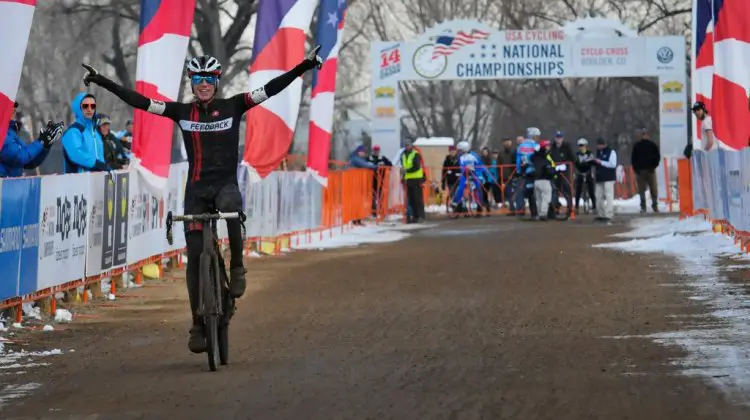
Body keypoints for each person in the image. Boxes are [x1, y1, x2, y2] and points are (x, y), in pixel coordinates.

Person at [81, 46, 324, 353]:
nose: (204, 83)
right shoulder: (181, 112)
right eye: (198, 78)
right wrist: (102, 81)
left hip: (225, 186)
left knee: (233, 210)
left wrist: (303, 65)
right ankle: (197, 323)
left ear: (217, 81)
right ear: (192, 81)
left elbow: (270, 89)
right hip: (196, 191)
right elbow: (140, 102)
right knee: (195, 259)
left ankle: (236, 268)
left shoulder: (235, 106)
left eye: (209, 77)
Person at [0, 102, 64, 178]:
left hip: (12, 184)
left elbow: (30, 162)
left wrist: (46, 143)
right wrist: (41, 141)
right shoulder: (2, 133)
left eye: (14, 109)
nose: (14, 111)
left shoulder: (11, 132)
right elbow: (19, 157)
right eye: (9, 107)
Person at [61, 93, 109, 173]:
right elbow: (76, 154)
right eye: (85, 106)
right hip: (78, 180)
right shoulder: (72, 131)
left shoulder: (95, 133)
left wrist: (106, 168)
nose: (89, 109)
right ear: (78, 108)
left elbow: (100, 158)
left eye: (92, 106)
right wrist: (97, 164)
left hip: (97, 179)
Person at [450, 141, 489, 216]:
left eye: (460, 150)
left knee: (478, 189)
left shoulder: (474, 155)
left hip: (475, 174)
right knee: (461, 187)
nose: (459, 152)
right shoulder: (460, 157)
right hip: (465, 175)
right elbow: (460, 166)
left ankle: (479, 205)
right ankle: (455, 203)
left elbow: (480, 165)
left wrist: (482, 175)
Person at [631, 129, 661, 213]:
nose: (645, 136)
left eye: (646, 134)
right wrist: (636, 169)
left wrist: (654, 166)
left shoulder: (652, 145)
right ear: (641, 135)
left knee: (653, 189)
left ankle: (655, 205)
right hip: (640, 171)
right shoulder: (637, 146)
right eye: (643, 134)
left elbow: (657, 157)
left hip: (650, 170)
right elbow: (633, 158)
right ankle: (643, 206)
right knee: (641, 190)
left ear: (648, 135)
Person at [592, 138, 617, 223]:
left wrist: (601, 162)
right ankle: (601, 214)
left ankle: (609, 214)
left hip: (609, 177)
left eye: (600, 145)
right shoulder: (598, 152)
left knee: (609, 196)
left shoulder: (611, 152)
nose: (598, 146)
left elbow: (613, 164)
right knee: (598, 196)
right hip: (599, 178)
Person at [529, 140, 556, 221]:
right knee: (546, 198)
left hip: (536, 180)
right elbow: (548, 169)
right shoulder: (545, 157)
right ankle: (543, 214)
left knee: (539, 199)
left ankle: (539, 213)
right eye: (547, 146)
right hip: (544, 180)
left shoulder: (535, 157)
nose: (549, 147)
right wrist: (554, 172)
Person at [516, 128, 540, 216]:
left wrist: (519, 171)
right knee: (537, 192)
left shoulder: (521, 146)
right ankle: (538, 211)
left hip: (525, 171)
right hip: (535, 171)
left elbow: (518, 160)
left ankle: (532, 212)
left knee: (529, 191)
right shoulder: (536, 145)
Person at [549, 131, 573, 216]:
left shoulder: (567, 146)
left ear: (562, 138)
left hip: (565, 171)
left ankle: (570, 208)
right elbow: (549, 157)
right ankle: (555, 207)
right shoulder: (552, 147)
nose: (558, 140)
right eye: (557, 138)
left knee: (566, 189)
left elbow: (572, 158)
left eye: (560, 138)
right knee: (554, 189)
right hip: (555, 171)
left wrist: (565, 164)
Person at [401, 139, 425, 223]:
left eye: (408, 145)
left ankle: (420, 216)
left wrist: (406, 171)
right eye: (405, 145)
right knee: (411, 199)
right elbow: (403, 166)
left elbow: (416, 166)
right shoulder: (403, 155)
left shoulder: (415, 154)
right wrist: (403, 176)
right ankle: (414, 216)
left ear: (411, 145)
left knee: (417, 199)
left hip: (417, 179)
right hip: (408, 179)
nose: (407, 146)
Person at [368, 145, 391, 217]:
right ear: (372, 151)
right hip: (371, 181)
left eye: (377, 150)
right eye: (375, 150)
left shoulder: (382, 158)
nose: (376, 152)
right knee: (372, 197)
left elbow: (390, 165)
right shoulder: (369, 158)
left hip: (381, 180)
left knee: (381, 196)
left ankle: (382, 211)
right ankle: (374, 212)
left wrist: (384, 168)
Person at [573, 137, 596, 213]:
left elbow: (593, 162)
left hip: (588, 172)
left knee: (591, 190)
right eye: (579, 145)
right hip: (580, 172)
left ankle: (594, 206)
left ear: (585, 145)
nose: (581, 147)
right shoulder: (577, 154)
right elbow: (575, 163)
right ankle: (576, 207)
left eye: (582, 145)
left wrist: (589, 164)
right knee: (578, 191)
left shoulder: (589, 153)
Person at [497, 137, 516, 213]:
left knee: (514, 193)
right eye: (505, 142)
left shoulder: (514, 152)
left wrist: (513, 174)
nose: (507, 143)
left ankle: (517, 208)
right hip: (504, 176)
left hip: (513, 175)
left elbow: (515, 163)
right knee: (508, 193)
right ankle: (512, 209)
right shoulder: (501, 154)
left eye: (508, 142)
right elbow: (498, 166)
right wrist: (499, 176)